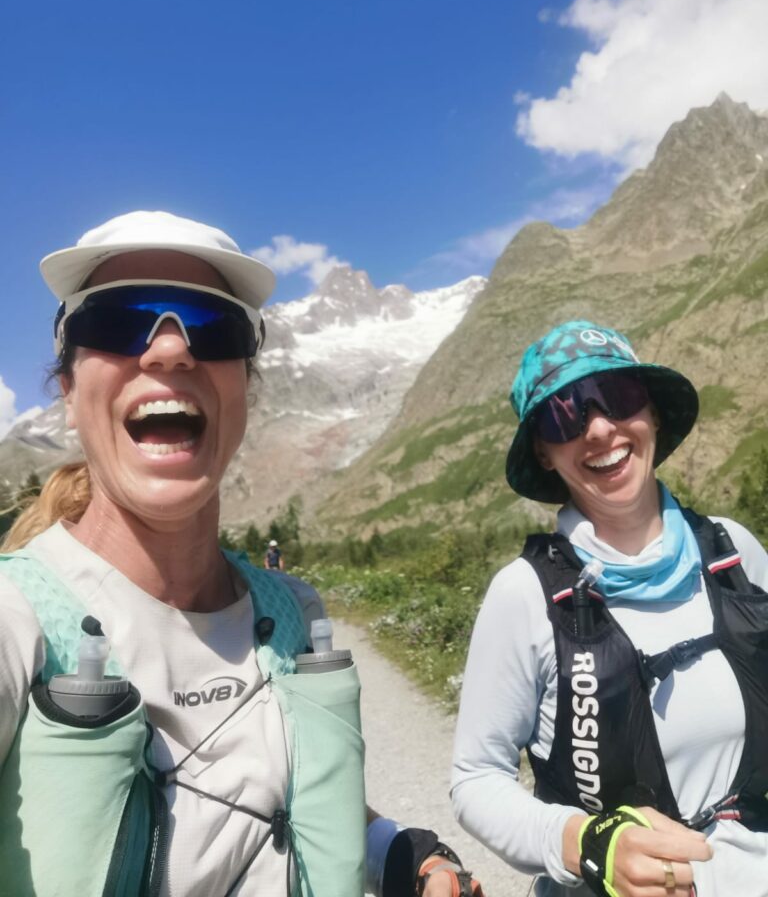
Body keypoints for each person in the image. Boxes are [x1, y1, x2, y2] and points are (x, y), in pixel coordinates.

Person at [0, 210, 483, 897]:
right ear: (67, 392)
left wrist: (408, 854)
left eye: (214, 325)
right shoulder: (16, 615)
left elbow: (295, 795)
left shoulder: (292, 611)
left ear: (247, 391)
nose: (171, 350)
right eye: (113, 320)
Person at [451, 320, 768, 897]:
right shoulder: (524, 594)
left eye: (618, 395)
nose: (598, 428)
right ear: (544, 452)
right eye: (563, 415)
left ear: (652, 414)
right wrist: (586, 843)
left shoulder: (735, 553)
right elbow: (475, 780)